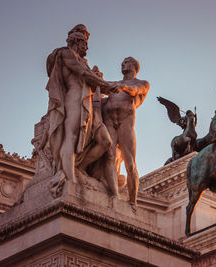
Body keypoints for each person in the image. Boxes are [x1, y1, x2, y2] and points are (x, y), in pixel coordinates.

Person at [46, 25, 115, 183]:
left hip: (87, 102)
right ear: (76, 42)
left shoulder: (81, 60)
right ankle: (70, 179)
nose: (87, 47)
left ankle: (77, 169)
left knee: (102, 141)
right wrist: (107, 85)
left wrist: (98, 80)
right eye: (84, 43)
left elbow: (88, 78)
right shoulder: (66, 53)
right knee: (71, 137)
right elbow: (83, 74)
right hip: (74, 99)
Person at [98, 57, 150, 210]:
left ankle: (132, 201)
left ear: (135, 66)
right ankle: (114, 194)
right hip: (109, 121)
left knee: (130, 163)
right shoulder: (115, 84)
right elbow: (101, 91)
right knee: (110, 156)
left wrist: (121, 87)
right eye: (122, 62)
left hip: (125, 123)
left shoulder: (141, 83)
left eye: (126, 62)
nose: (122, 64)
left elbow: (136, 91)